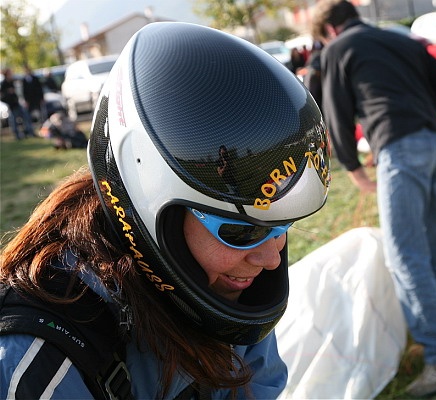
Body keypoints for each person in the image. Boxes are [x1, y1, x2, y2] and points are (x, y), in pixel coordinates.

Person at [0, 21, 330, 399]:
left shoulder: (226, 284)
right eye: (242, 232)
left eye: (283, 225)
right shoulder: (40, 364)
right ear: (151, 212)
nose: (271, 260)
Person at [311, 1, 436, 397]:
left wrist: (353, 167)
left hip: (401, 151)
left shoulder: (338, 49)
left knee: (405, 256)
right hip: (435, 144)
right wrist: (412, 115)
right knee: (435, 248)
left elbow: (336, 114)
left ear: (329, 30)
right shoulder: (399, 39)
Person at [0, 67, 35, 140]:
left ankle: (29, 132)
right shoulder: (4, 84)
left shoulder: (13, 81)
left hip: (17, 103)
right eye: (10, 73)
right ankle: (17, 135)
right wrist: (8, 92)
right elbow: (2, 96)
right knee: (14, 121)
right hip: (11, 105)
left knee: (26, 117)